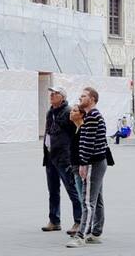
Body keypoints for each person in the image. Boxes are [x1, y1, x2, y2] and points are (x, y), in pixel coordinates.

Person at [67, 88, 113, 247]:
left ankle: (81, 236)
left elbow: (88, 143)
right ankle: (96, 232)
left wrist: (83, 163)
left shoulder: (92, 117)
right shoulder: (92, 116)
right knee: (97, 199)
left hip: (93, 162)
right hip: (98, 162)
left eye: (84, 96)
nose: (80, 98)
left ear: (92, 99)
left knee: (87, 201)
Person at [40, 87, 83, 234]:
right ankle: (54, 220)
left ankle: (79, 221)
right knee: (53, 190)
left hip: (64, 158)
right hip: (50, 156)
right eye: (51, 93)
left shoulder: (69, 112)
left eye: (55, 93)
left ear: (63, 97)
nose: (51, 95)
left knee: (72, 190)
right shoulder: (50, 112)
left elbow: (76, 132)